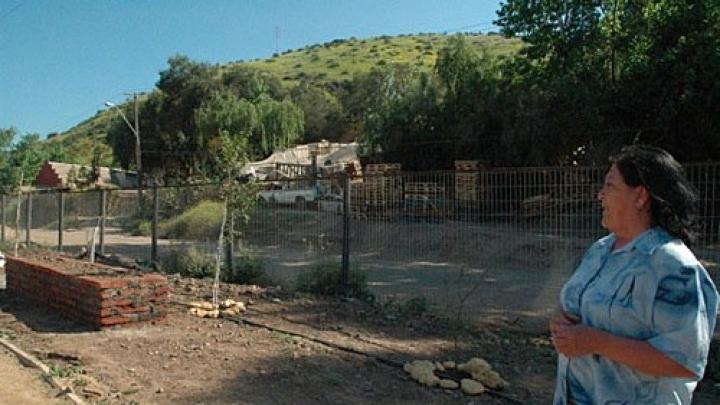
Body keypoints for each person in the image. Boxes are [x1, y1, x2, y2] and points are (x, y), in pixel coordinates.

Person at [550, 144, 719, 404]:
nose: (600, 195)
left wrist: (597, 342)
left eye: (610, 186)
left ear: (640, 196)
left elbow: (685, 361)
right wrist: (560, 322)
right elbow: (575, 309)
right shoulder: (601, 250)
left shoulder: (672, 266)